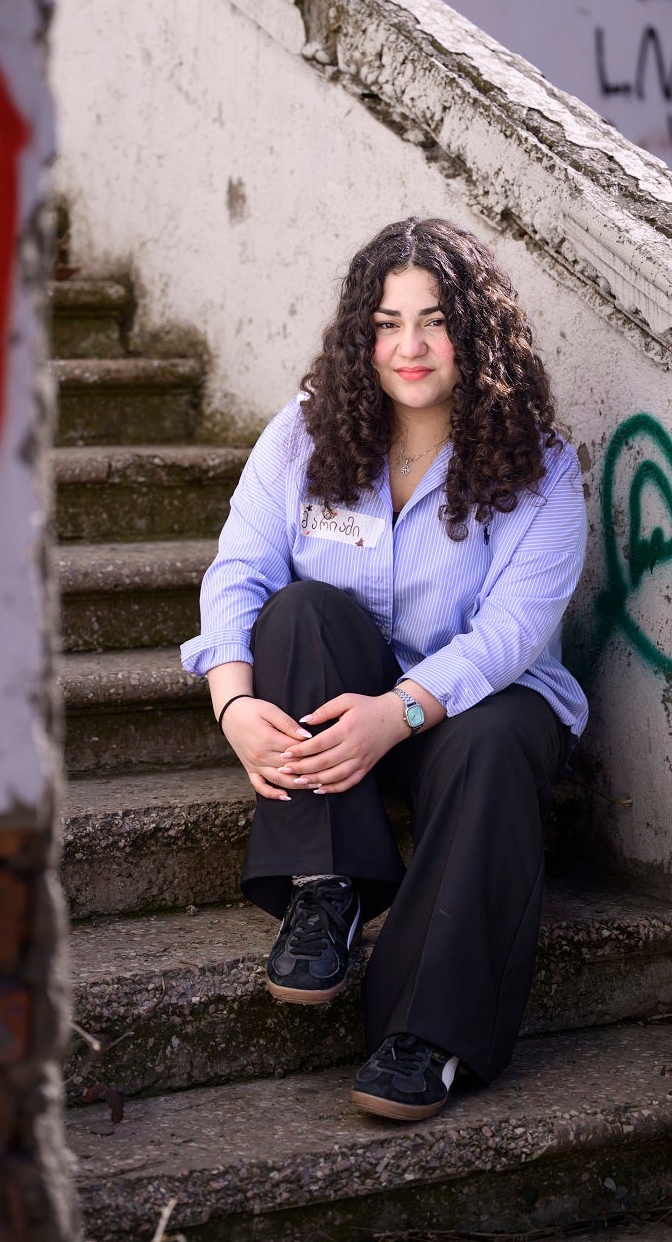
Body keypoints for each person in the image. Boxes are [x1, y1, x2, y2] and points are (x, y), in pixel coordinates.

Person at [180, 217, 587, 1122]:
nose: (408, 346)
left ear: (476, 334)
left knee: (505, 728)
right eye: (385, 322)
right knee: (300, 610)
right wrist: (233, 704)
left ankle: (426, 1032)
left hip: (466, 720)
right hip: (334, 710)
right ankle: (326, 889)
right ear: (358, 333)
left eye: (435, 320)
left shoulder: (541, 467)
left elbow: (511, 633)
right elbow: (238, 574)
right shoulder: (301, 435)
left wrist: (397, 713)